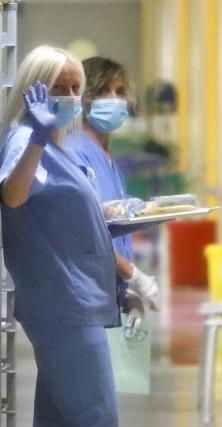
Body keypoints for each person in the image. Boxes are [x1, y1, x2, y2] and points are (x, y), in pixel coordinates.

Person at [0, 45, 127, 427]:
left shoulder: (61, 144)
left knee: (60, 425)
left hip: (75, 299)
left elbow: (77, 213)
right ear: (34, 91)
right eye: (61, 88)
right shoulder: (29, 142)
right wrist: (34, 132)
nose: (72, 98)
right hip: (60, 304)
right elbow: (14, 194)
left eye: (77, 88)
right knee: (98, 418)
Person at [64, 56, 160, 314]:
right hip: (86, 295)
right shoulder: (76, 154)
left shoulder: (108, 158)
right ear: (84, 98)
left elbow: (114, 229)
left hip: (109, 292)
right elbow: (87, 231)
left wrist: (126, 291)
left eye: (120, 92)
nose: (114, 100)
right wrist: (133, 276)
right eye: (103, 92)